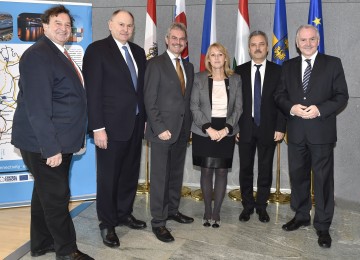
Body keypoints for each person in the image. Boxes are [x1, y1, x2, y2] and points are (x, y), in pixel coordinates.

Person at [11, 5, 93, 260]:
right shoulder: (39, 55)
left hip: (60, 140)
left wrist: (75, 138)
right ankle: (67, 252)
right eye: (58, 23)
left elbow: (68, 99)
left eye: (67, 25)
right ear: (44, 26)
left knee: (44, 194)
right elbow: (37, 108)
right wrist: (52, 148)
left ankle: (42, 243)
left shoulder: (59, 53)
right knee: (58, 198)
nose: (63, 28)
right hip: (44, 144)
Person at [275, 25, 349, 248]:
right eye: (303, 40)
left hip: (322, 132)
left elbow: (341, 96)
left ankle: (323, 225)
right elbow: (279, 95)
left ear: (318, 41)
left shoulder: (333, 63)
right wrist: (291, 108)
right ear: (297, 43)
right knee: (298, 176)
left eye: (312, 39)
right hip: (296, 132)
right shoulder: (287, 66)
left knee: (323, 180)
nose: (307, 43)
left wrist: (320, 109)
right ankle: (301, 215)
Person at [83, 10, 147, 248]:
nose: (125, 29)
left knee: (130, 174)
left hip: (136, 124)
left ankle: (123, 213)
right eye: (121, 24)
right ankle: (107, 223)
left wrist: (146, 119)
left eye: (129, 25)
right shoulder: (97, 50)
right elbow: (93, 92)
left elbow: (140, 91)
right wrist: (97, 127)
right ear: (110, 24)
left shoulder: (139, 52)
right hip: (108, 129)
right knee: (109, 177)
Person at [144, 22, 194, 243]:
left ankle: (172, 210)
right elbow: (149, 100)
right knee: (160, 177)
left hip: (182, 131)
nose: (178, 42)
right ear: (166, 40)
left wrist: (189, 128)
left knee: (175, 175)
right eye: (174, 38)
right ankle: (158, 222)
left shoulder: (188, 67)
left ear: (185, 42)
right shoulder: (155, 64)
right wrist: (159, 127)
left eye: (181, 39)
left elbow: (187, 101)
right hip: (162, 132)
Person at [235, 31, 286, 223]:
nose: (257, 48)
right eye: (254, 44)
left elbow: (282, 102)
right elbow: (234, 104)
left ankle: (262, 207)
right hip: (245, 128)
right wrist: (234, 128)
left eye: (261, 44)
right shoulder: (238, 71)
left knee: (265, 169)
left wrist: (281, 127)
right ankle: (247, 206)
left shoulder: (278, 71)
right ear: (249, 48)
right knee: (245, 169)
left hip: (269, 128)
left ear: (267, 48)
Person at [191, 43, 242, 228]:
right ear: (208, 59)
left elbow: (239, 108)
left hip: (226, 130)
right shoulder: (199, 78)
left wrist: (227, 129)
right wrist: (208, 129)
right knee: (206, 170)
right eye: (213, 55)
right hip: (204, 130)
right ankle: (206, 210)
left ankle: (217, 212)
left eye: (220, 54)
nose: (217, 58)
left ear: (225, 58)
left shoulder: (235, 79)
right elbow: (194, 106)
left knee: (221, 171)